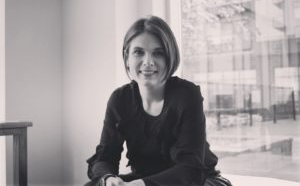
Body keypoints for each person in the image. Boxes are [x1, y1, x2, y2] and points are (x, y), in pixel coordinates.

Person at [85, 15, 232, 186]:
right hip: (144, 179)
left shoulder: (187, 95)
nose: (148, 62)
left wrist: (142, 185)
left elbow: (190, 169)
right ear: (127, 58)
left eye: (158, 53)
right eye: (139, 52)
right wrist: (109, 179)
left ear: (170, 57)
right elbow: (104, 158)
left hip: (197, 180)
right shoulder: (119, 99)